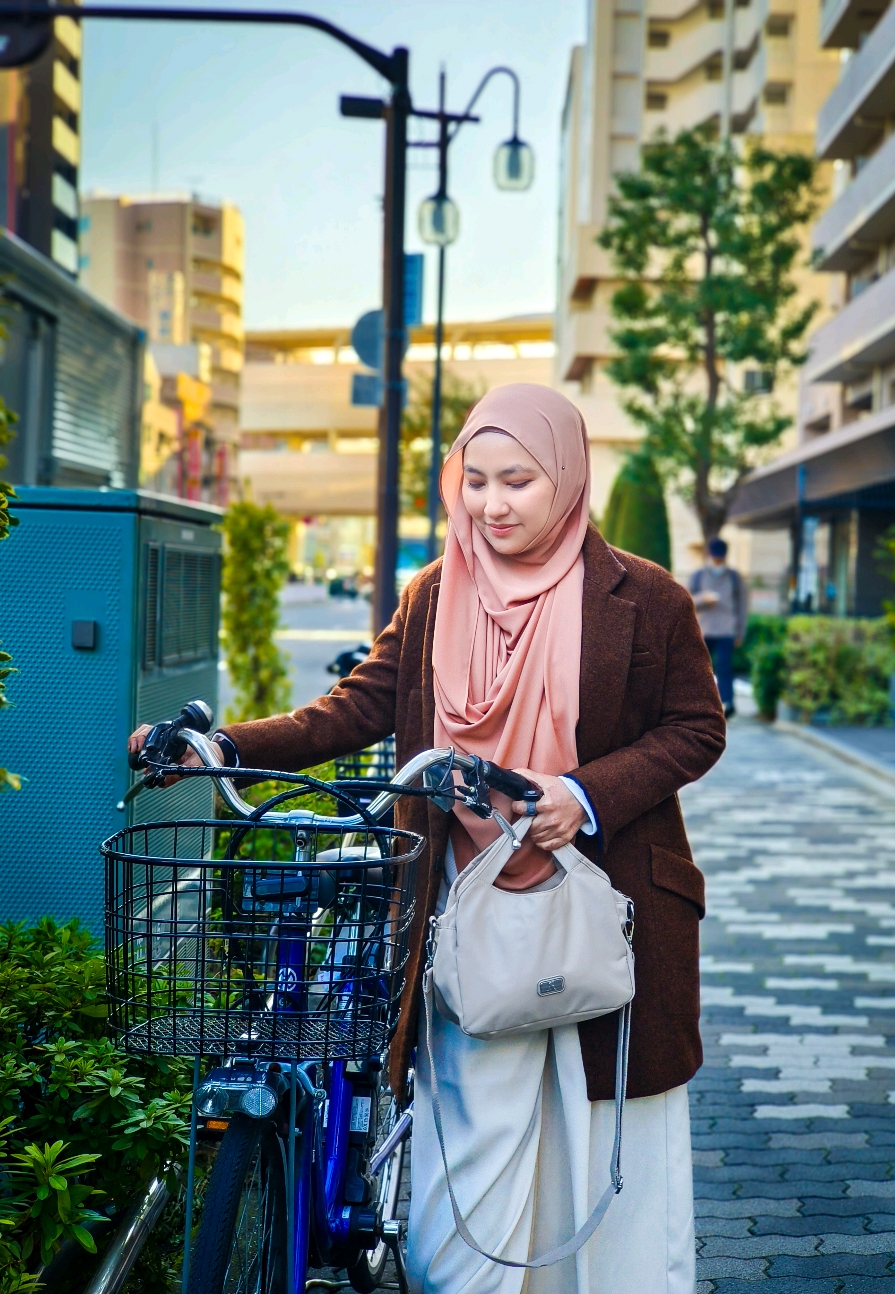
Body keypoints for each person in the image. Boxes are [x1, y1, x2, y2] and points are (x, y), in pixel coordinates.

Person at [130, 384, 725, 1293]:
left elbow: (695, 727)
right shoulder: (436, 592)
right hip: (463, 919)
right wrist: (224, 747)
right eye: (476, 481)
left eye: (518, 481)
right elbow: (357, 705)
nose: (493, 505)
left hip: (606, 914)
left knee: (614, 1154)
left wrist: (585, 794)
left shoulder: (645, 598)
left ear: (564, 477)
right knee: (464, 1177)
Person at [690, 537, 748, 719]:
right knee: (701, 669)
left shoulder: (734, 577)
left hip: (726, 630)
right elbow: (686, 600)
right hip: (704, 629)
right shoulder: (698, 575)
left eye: (720, 557)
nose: (717, 560)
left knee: (724, 669)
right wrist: (703, 599)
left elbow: (743, 606)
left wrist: (740, 632)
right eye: (715, 557)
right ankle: (699, 705)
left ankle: (728, 705)